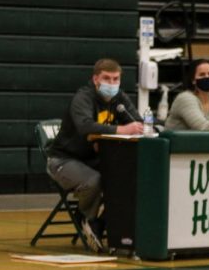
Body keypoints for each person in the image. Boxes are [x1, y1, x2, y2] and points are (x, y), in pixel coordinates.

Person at [46, 58, 143, 252]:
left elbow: (137, 122)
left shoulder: (119, 99)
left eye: (116, 79)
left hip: (94, 160)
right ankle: (84, 217)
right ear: (95, 79)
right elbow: (85, 126)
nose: (112, 83)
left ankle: (99, 225)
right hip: (63, 160)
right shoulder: (84, 97)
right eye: (107, 78)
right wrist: (122, 130)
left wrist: (135, 127)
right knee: (95, 181)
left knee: (128, 183)